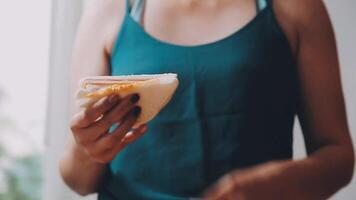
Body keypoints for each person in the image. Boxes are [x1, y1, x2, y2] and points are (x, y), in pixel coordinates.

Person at [59, 0, 355, 199]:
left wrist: (265, 185)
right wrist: (88, 150)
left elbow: (338, 156)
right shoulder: (106, 10)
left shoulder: (295, 7)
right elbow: (78, 181)